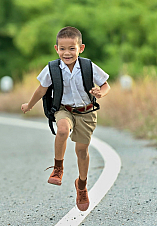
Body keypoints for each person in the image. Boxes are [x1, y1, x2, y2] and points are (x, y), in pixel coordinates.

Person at [21, 26, 110, 211]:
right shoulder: (52, 68)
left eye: (72, 48)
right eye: (62, 48)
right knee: (62, 130)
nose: (67, 53)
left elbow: (105, 85)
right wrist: (29, 105)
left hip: (86, 112)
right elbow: (42, 89)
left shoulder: (87, 66)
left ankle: (82, 185)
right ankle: (58, 168)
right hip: (64, 109)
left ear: (81, 48)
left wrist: (100, 93)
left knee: (81, 152)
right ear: (56, 49)